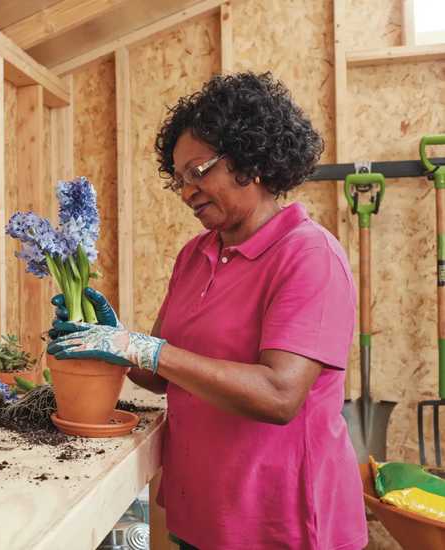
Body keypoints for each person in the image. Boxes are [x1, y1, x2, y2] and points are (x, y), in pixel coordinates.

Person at [48, 72, 367, 549]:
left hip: (279, 525)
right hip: (201, 515)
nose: (186, 191)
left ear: (250, 159)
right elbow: (161, 376)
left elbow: (279, 396)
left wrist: (147, 350)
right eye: (178, 180)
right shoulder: (195, 255)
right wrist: (118, 342)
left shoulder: (308, 255)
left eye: (199, 172)